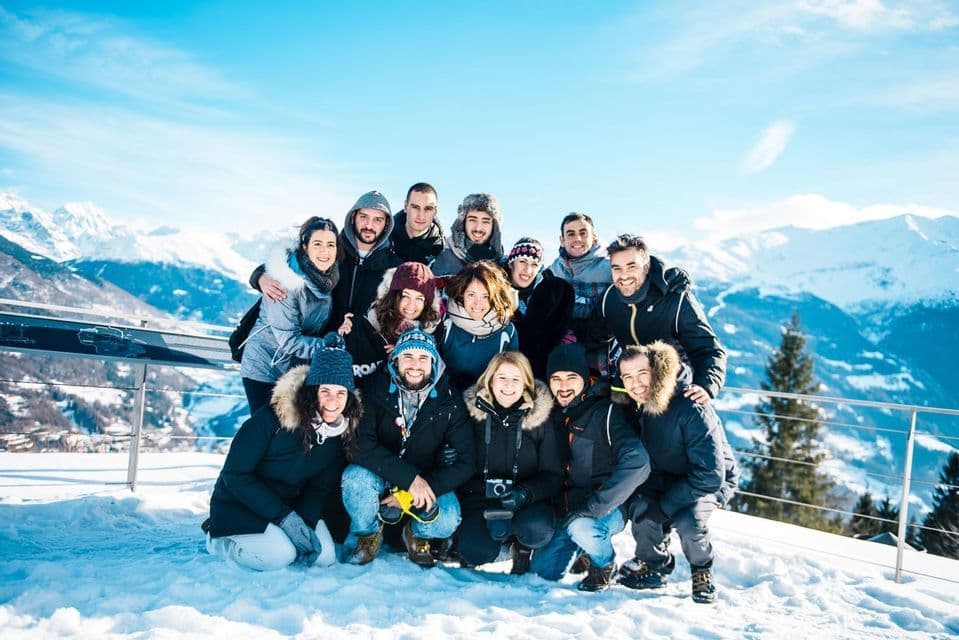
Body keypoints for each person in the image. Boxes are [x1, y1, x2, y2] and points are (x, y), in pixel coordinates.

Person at [205, 334, 360, 571]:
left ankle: (276, 535)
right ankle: (220, 542)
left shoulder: (338, 433)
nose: (333, 400)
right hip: (241, 504)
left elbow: (320, 486)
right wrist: (285, 519)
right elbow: (235, 475)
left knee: (325, 556)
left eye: (341, 393)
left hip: (290, 507)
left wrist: (305, 522)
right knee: (281, 555)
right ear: (312, 391)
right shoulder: (271, 420)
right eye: (325, 390)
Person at [616, 342, 738, 604]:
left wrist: (667, 505)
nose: (635, 384)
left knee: (688, 522)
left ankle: (701, 569)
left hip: (707, 481)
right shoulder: (640, 405)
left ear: (657, 371)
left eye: (642, 374)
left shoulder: (690, 406)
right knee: (643, 510)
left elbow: (710, 475)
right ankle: (655, 567)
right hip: (667, 476)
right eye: (627, 377)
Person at [341, 329, 474, 568]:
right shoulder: (374, 389)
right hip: (381, 475)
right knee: (354, 479)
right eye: (407, 357)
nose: (415, 365)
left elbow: (466, 462)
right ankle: (368, 535)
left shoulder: (450, 400)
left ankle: (417, 535)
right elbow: (360, 446)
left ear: (433, 362)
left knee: (448, 519)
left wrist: (415, 489)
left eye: (423, 358)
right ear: (396, 360)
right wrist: (409, 480)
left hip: (425, 479)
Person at [531, 343, 650, 591]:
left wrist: (595, 506)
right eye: (556, 378)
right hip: (567, 509)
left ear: (585, 378)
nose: (563, 386)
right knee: (543, 573)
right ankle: (581, 548)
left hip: (607, 507)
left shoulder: (606, 412)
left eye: (571, 378)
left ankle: (603, 563)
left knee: (582, 526)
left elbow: (639, 462)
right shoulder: (549, 414)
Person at [587, 234, 726, 404]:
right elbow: (591, 337)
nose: (623, 276)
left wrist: (705, 385)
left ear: (646, 267)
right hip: (632, 391)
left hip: (673, 393)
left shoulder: (675, 298)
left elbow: (708, 349)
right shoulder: (610, 299)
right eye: (617, 268)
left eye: (631, 267)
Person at [457, 352, 563, 574]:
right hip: (479, 499)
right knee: (473, 550)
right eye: (502, 378)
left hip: (525, 500)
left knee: (537, 530)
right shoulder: (470, 414)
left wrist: (525, 493)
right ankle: (496, 547)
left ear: (526, 383)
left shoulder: (540, 419)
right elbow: (458, 464)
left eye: (516, 379)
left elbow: (552, 475)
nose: (508, 385)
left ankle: (522, 547)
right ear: (490, 379)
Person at [252, 190, 400, 337]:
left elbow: (406, 309)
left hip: (364, 351)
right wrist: (259, 277)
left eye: (377, 220)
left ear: (386, 224)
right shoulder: (330, 248)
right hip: (317, 343)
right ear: (353, 217)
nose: (369, 225)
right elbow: (293, 261)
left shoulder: (395, 267)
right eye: (364, 217)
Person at [239, 217, 341, 414]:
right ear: (304, 247)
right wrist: (330, 346)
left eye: (331, 245)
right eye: (317, 244)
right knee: (266, 433)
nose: (325, 251)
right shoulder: (286, 283)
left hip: (292, 367)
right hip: (265, 368)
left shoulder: (327, 278)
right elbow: (289, 341)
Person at [346, 261, 444, 384]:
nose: (411, 305)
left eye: (419, 298)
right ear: (394, 296)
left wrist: (405, 354)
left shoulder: (435, 332)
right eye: (405, 296)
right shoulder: (367, 325)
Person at [441, 260, 519, 390]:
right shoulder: (446, 322)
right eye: (471, 295)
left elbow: (511, 373)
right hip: (445, 397)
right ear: (462, 294)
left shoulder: (507, 331)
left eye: (485, 296)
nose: (478, 303)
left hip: (484, 398)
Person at [504, 237, 575, 379]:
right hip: (506, 370)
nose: (528, 270)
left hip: (542, 372)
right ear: (511, 264)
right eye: (522, 261)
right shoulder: (498, 290)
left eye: (534, 264)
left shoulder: (555, 294)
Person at [546, 213, 611, 345]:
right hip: (564, 353)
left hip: (602, 351)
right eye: (571, 234)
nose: (578, 239)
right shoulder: (552, 272)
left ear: (593, 237)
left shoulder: (610, 269)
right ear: (562, 240)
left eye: (583, 233)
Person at [431, 193, 504, 277]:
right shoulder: (444, 260)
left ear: (494, 225)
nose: (478, 228)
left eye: (485, 221)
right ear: (463, 222)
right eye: (472, 220)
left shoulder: (503, 265)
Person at [390, 183, 445, 265]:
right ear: (405, 206)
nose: (421, 216)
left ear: (435, 211)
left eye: (428, 208)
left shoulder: (442, 251)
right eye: (415, 207)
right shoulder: (384, 241)